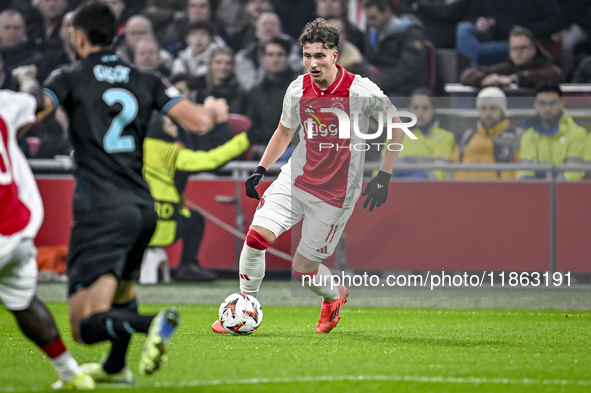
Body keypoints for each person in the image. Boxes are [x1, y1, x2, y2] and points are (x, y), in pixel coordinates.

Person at [38, 1, 228, 384]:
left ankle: (151, 323)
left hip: (101, 209)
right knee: (122, 292)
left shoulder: (69, 76)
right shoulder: (147, 78)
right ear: (116, 36)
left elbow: (36, 112)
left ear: (77, 37)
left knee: (83, 327)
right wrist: (215, 111)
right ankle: (114, 368)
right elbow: (199, 122)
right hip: (143, 208)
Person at [211, 18, 408, 334]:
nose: (313, 63)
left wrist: (384, 176)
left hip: (335, 193)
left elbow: (396, 126)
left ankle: (335, 295)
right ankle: (244, 307)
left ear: (334, 55)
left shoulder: (360, 90)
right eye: (307, 56)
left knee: (303, 270)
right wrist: (261, 169)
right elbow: (285, 131)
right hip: (295, 179)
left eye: (319, 55)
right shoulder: (297, 88)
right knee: (255, 238)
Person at [0, 89, 94, 390]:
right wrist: (27, 84)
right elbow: (38, 102)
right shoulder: (5, 102)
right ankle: (71, 374)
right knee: (23, 301)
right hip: (17, 224)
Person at [144, 113, 250, 282]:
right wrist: (245, 140)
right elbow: (211, 160)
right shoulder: (171, 153)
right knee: (195, 219)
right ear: (160, 130)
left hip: (136, 225)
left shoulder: (136, 151)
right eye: (170, 125)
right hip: (164, 225)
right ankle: (188, 266)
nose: (175, 128)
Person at [455, 0, 564, 67]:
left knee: (475, 51)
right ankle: (470, 78)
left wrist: (524, 30)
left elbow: (556, 21)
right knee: (464, 28)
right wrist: (477, 22)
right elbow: (470, 16)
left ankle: (471, 77)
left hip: (516, 43)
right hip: (486, 38)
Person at [517, 82, 588, 181]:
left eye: (552, 103)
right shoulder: (528, 135)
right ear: (535, 105)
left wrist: (552, 191)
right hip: (535, 192)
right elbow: (524, 171)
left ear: (561, 103)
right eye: (542, 103)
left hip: (565, 193)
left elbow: (573, 173)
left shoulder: (578, 134)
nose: (547, 108)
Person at [460, 26, 564, 88]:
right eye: (514, 48)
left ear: (533, 49)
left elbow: (555, 75)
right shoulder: (506, 68)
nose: (518, 52)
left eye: (523, 48)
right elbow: (467, 74)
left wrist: (515, 79)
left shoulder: (546, 67)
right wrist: (483, 80)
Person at [452, 86, 521, 179]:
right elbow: (453, 166)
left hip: (498, 191)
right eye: (483, 109)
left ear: (502, 111)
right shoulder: (467, 136)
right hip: (464, 190)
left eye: (493, 108)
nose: (488, 113)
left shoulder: (516, 136)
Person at [362, 0, 427, 96]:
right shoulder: (372, 32)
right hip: (378, 87)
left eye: (374, 18)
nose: (370, 22)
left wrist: (378, 81)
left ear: (387, 11)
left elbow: (408, 69)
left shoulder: (410, 33)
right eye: (368, 19)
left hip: (405, 89)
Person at [390, 88, 455, 179]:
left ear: (433, 110)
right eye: (415, 107)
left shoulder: (445, 137)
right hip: (395, 188)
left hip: (427, 189)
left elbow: (439, 172)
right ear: (409, 110)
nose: (420, 113)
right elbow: (380, 168)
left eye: (425, 108)